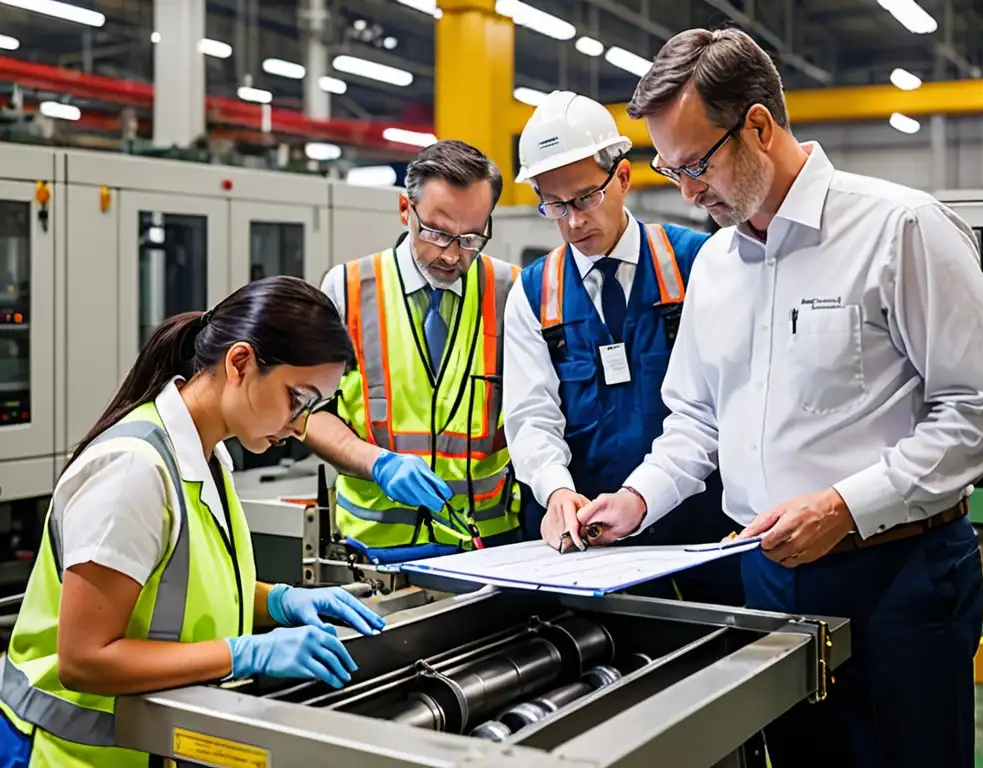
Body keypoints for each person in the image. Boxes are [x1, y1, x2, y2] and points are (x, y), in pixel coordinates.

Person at [573, 27, 983, 768]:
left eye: (696, 165)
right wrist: (636, 499)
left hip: (897, 579)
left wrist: (844, 506)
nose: (686, 191)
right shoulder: (717, 264)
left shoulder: (898, 228)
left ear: (757, 124)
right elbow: (695, 419)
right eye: (669, 168)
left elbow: (981, 409)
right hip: (766, 578)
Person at [0, 276, 386, 767]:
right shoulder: (133, 471)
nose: (298, 424)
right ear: (241, 363)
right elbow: (85, 660)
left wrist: (282, 602)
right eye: (297, 398)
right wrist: (245, 653)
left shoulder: (208, 456)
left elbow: (184, 594)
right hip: (66, 756)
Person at [503, 90, 743, 607]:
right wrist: (556, 492)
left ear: (624, 179)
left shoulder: (701, 263)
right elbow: (531, 417)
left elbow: (726, 407)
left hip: (702, 534)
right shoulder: (533, 292)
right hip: (589, 546)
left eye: (585, 198)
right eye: (554, 205)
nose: (572, 222)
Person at [310, 140, 522, 564]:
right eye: (438, 233)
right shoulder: (348, 289)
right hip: (373, 549)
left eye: (471, 237)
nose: (452, 254)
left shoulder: (510, 290)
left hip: (488, 545)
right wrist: (378, 464)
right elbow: (311, 413)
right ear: (406, 210)